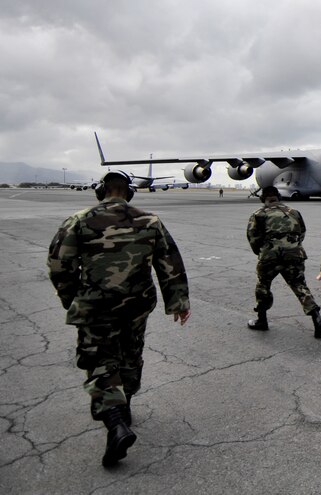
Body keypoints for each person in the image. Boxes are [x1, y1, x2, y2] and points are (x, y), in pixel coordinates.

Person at [47, 171, 191, 468]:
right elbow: (170, 262)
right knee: (131, 352)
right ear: (130, 192)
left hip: (96, 306)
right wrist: (178, 302)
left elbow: (59, 263)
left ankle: (115, 423)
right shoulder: (150, 220)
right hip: (137, 304)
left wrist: (72, 297)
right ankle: (125, 407)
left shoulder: (80, 219)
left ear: (101, 191)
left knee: (99, 359)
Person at [246, 186, 321, 337]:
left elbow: (253, 238)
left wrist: (262, 251)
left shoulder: (259, 214)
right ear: (278, 198)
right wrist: (292, 246)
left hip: (270, 256)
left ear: (263, 199)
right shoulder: (294, 212)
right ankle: (317, 317)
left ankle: (261, 320)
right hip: (294, 255)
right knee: (300, 286)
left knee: (263, 286)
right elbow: (302, 233)